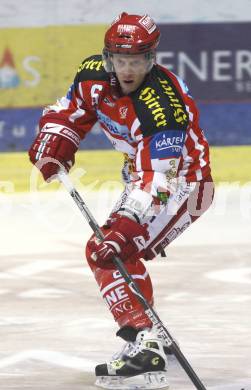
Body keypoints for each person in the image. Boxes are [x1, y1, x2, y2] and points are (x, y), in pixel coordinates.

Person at [29, 12, 214, 390]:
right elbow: (69, 111)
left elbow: (158, 179)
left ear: (152, 60)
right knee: (116, 248)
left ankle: (143, 343)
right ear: (108, 57)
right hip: (143, 178)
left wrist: (126, 225)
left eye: (138, 61)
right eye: (121, 60)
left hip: (185, 185)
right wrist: (55, 137)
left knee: (108, 248)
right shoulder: (92, 74)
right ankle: (153, 335)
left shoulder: (162, 108)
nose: (128, 70)